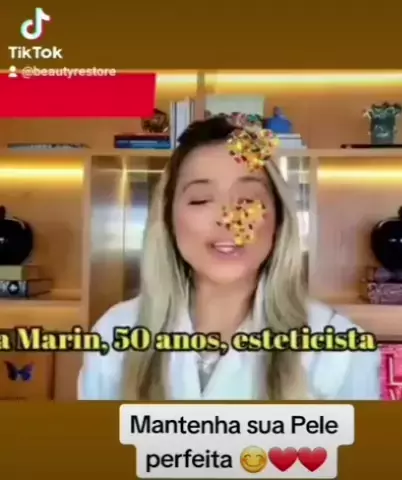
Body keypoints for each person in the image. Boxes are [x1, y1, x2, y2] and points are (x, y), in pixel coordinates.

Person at [78, 116, 380, 401]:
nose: (228, 218)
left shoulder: (338, 350)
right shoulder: (115, 334)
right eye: (201, 199)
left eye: (248, 199)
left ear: (278, 219)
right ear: (168, 218)